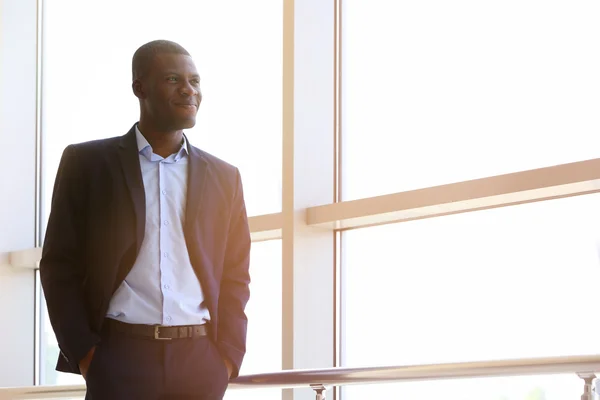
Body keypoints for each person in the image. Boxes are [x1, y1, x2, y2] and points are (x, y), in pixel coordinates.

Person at [39, 40, 251, 400]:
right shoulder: (86, 164)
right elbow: (60, 266)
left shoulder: (224, 176)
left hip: (200, 361)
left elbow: (236, 272)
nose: (189, 89)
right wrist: (87, 355)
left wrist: (228, 356)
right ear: (139, 87)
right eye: (173, 79)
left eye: (195, 80)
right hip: (118, 359)